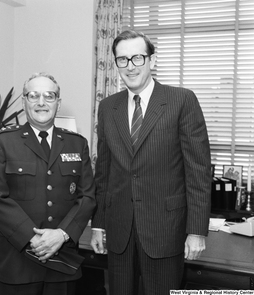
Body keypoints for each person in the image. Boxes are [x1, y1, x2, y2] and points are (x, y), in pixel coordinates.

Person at [90, 30, 211, 295]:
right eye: (122, 60)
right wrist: (98, 224)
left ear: (152, 61)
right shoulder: (108, 107)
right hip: (119, 231)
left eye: (137, 58)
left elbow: (198, 172)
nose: (130, 66)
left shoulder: (182, 100)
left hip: (165, 230)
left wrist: (197, 231)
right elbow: (104, 172)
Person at [0, 72, 96, 295]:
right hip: (18, 262)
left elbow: (87, 197)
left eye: (49, 96)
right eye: (33, 95)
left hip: (62, 261)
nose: (41, 102)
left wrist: (61, 234)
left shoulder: (77, 143)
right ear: (23, 101)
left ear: (58, 102)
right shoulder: (3, 141)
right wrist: (32, 238)